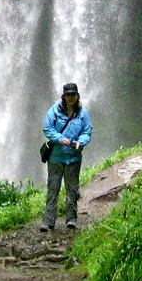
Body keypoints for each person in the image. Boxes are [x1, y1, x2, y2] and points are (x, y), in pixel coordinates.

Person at [40, 82, 93, 231]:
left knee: (72, 189)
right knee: (53, 188)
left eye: (73, 95)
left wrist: (80, 142)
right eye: (68, 95)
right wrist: (58, 138)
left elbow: (87, 131)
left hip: (73, 158)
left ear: (77, 96)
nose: (71, 97)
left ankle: (71, 219)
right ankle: (48, 220)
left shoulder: (82, 113)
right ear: (64, 96)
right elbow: (47, 128)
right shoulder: (55, 111)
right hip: (56, 157)